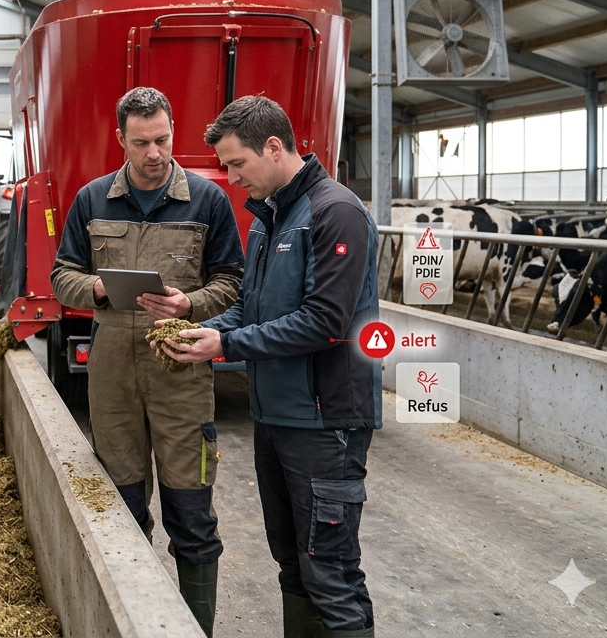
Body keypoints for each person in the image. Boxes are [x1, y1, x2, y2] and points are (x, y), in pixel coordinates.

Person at [156, 95, 380, 637]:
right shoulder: (268, 218)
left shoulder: (334, 213)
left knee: (330, 570)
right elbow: (252, 306)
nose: (231, 178)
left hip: (326, 422)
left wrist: (225, 348)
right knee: (293, 563)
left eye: (237, 164)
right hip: (277, 415)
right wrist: (206, 325)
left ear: (274, 147)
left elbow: (325, 321)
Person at [51, 86, 243, 637]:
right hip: (112, 376)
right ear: (121, 140)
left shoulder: (207, 200)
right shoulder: (92, 201)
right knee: (121, 509)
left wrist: (191, 303)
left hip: (181, 371)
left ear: (173, 131)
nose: (153, 153)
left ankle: (194, 628)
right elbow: (61, 274)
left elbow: (233, 281)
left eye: (161, 139)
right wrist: (99, 290)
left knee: (193, 518)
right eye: (141, 143)